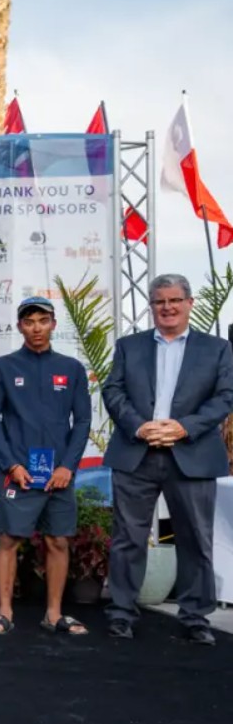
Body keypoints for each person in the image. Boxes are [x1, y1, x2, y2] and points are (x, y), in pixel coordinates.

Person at [102, 274, 233, 645]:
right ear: (151, 306)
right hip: (137, 453)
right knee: (128, 538)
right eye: (160, 301)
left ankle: (195, 618)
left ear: (189, 303)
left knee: (196, 540)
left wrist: (183, 427)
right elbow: (113, 390)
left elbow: (226, 396)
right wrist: (139, 427)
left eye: (175, 300)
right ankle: (121, 614)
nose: (167, 307)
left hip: (192, 454)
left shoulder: (218, 348)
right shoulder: (129, 346)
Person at [0, 297, 92, 636]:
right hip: (18, 473)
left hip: (59, 474)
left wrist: (67, 467)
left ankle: (54, 614)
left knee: (58, 541)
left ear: (54, 324)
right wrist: (11, 465)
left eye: (43, 321)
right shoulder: (2, 367)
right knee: (9, 539)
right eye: (29, 322)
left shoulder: (72, 368)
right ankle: (4, 612)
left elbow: (82, 421)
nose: (36, 328)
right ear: (20, 327)